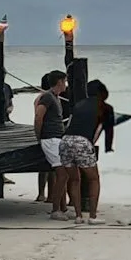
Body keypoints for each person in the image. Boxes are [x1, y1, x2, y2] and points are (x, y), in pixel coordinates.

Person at [59, 79, 108, 223]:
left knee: (74, 179)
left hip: (66, 140)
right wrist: (91, 144)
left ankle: (78, 216)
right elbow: (99, 129)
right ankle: (92, 216)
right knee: (94, 179)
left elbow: (69, 123)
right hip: (82, 141)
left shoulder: (79, 105)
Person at [33, 70, 69, 217]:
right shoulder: (47, 97)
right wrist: (39, 136)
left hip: (57, 138)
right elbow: (38, 116)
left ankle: (62, 207)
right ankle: (56, 210)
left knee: (63, 172)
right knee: (62, 173)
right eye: (65, 81)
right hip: (50, 139)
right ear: (59, 82)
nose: (66, 84)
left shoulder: (56, 97)